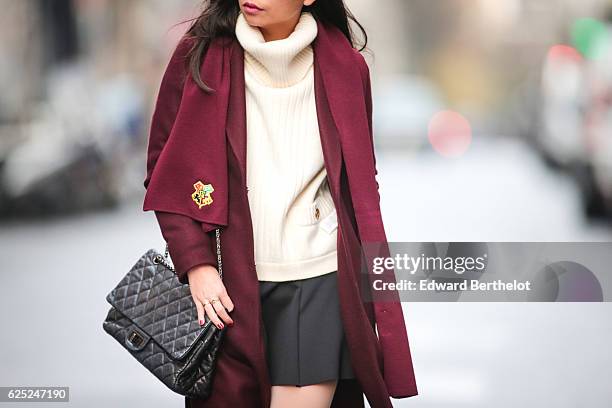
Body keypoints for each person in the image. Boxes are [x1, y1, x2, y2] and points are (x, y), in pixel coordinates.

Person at [143, 1, 418, 407]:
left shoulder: (346, 67)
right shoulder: (198, 55)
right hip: (229, 286)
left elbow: (359, 182)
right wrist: (196, 264)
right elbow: (164, 172)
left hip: (321, 277)